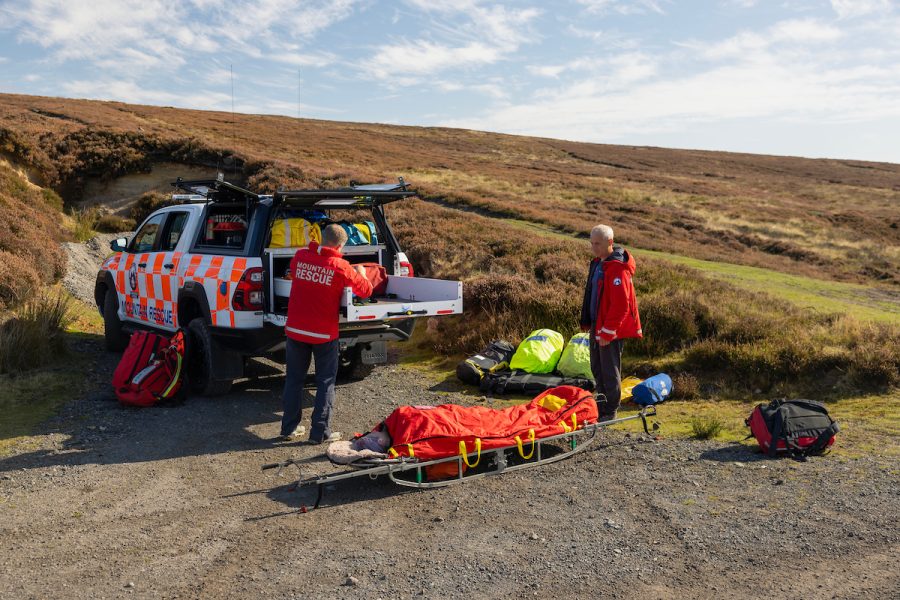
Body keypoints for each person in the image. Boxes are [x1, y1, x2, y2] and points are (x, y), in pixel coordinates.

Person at [280, 224, 373, 444]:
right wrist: (362, 273)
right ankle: (320, 432)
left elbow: (294, 271)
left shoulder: (300, 256)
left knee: (293, 380)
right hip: (323, 334)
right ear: (341, 245)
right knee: (325, 382)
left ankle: (288, 429)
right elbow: (365, 291)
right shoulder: (341, 266)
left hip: (295, 330)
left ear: (321, 238)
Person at [579, 224, 642, 421]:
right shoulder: (599, 263)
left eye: (597, 243)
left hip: (610, 330)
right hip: (598, 325)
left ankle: (610, 410)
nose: (594, 248)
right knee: (597, 367)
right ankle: (601, 405)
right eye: (591, 243)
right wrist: (588, 321)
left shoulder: (617, 269)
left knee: (609, 369)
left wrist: (608, 332)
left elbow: (621, 305)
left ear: (610, 243)